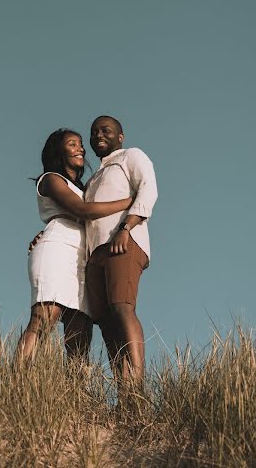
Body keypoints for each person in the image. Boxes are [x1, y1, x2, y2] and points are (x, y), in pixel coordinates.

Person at [15, 128, 134, 365]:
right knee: (44, 319)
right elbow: (82, 211)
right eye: (72, 144)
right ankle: (16, 384)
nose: (80, 148)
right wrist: (130, 202)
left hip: (83, 257)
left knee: (80, 331)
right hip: (57, 249)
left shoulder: (84, 187)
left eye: (80, 144)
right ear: (59, 151)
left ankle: (75, 395)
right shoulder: (51, 178)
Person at [84, 116, 158, 386]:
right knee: (105, 322)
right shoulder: (93, 178)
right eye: (93, 132)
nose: (98, 135)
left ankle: (137, 389)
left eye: (105, 130)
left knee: (122, 308)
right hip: (95, 252)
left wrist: (125, 228)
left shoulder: (131, 156)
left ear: (120, 136)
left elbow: (148, 191)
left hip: (124, 242)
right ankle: (124, 391)